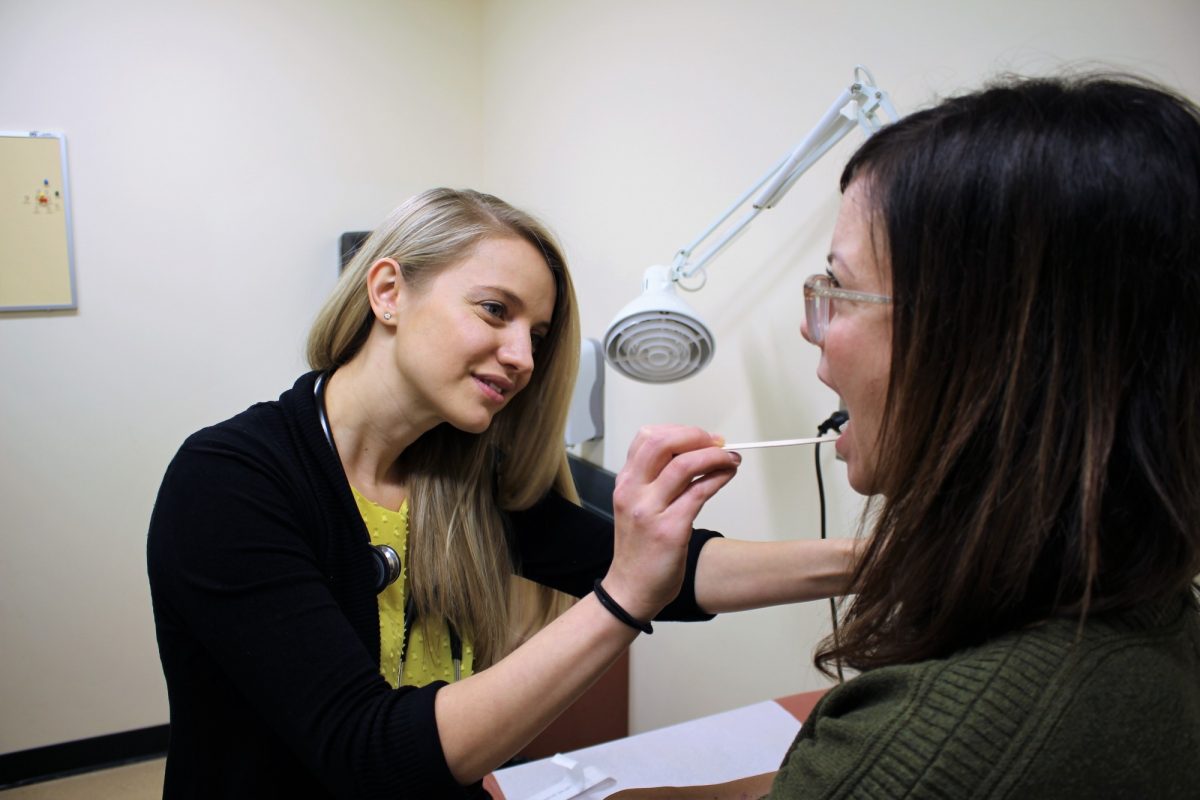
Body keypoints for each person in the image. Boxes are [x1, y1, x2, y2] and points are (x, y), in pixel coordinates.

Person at [146, 187, 858, 798]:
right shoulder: (229, 483)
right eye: (494, 311)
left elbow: (674, 570)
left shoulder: (459, 479)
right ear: (388, 292)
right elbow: (366, 755)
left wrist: (877, 559)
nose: (522, 357)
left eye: (538, 334)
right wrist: (622, 598)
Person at [612, 73, 1200, 799]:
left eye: (839, 287)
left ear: (991, 347)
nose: (809, 325)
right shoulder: (1155, 614)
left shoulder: (935, 740)